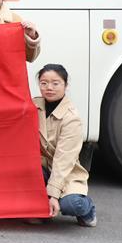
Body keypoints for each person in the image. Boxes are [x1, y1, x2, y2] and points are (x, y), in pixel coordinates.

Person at [32, 64, 97, 227]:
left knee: (71, 204)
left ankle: (88, 209)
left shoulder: (71, 118)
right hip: (42, 168)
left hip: (66, 172)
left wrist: (53, 195)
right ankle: (42, 210)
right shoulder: (34, 106)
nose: (49, 87)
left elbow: (63, 161)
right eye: (44, 83)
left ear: (65, 85)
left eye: (55, 83)